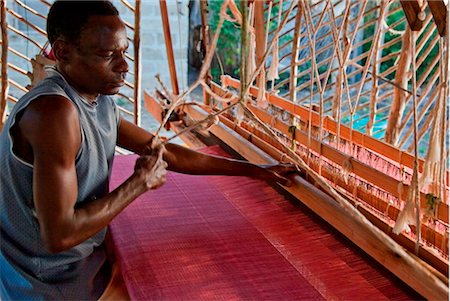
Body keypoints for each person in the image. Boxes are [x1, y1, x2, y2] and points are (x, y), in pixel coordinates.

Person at [0, 1, 295, 300]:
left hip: (74, 264)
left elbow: (166, 152)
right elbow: (59, 236)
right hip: (45, 281)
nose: (124, 66)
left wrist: (255, 170)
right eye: (107, 55)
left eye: (123, 52)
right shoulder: (54, 113)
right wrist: (138, 184)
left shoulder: (97, 100)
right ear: (63, 52)